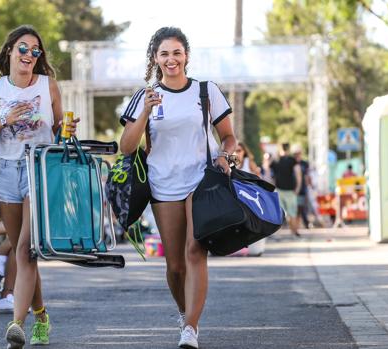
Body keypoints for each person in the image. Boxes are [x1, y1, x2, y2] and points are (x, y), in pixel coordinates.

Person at [119, 27, 236, 349]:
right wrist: (144, 111)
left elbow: (228, 135)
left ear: (186, 56)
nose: (171, 60)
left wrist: (225, 155)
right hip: (163, 183)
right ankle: (184, 313)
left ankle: (191, 329)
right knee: (174, 265)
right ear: (155, 59)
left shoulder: (205, 90)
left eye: (177, 53)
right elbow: (127, 147)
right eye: (164, 54)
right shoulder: (144, 96)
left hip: (201, 180)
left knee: (196, 251)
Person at [0, 25, 78, 348]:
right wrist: (5, 120)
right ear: (10, 53)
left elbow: (60, 130)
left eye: (35, 51)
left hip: (39, 168)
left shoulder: (48, 86)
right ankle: (41, 315)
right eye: (23, 49)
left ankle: (16, 324)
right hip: (4, 171)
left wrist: (67, 128)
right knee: (21, 251)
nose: (29, 55)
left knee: (27, 249)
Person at [270, 143, 302, 237]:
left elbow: (269, 174)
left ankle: (284, 232)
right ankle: (293, 232)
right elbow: (298, 174)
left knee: (281, 213)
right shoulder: (292, 160)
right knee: (292, 212)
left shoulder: (276, 160)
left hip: (280, 189)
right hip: (289, 190)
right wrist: (298, 187)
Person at [292, 145, 312, 229]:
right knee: (294, 209)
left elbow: (307, 176)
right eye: (296, 153)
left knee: (301, 208)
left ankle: (300, 225)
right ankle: (296, 226)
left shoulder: (305, 163)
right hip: (293, 188)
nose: (297, 155)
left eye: (299, 153)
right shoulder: (291, 163)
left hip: (303, 189)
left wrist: (309, 186)